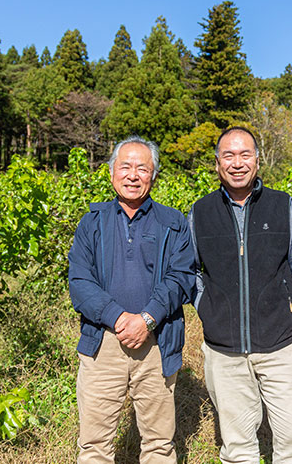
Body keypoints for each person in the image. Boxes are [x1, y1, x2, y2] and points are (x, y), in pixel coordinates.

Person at [189, 126, 292, 463]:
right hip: (224, 351)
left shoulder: (282, 205)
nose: (237, 163)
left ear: (257, 161)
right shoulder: (201, 212)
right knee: (237, 447)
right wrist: (207, 307)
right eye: (228, 155)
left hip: (282, 345)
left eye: (245, 154)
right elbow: (190, 271)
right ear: (217, 163)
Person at [68, 136, 194, 464]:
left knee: (159, 444)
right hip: (103, 344)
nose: (133, 175)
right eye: (125, 167)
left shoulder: (173, 223)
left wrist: (147, 319)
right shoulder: (92, 222)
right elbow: (80, 281)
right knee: (94, 445)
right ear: (112, 173)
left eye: (142, 168)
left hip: (156, 343)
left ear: (154, 176)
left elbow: (181, 277)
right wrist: (119, 318)